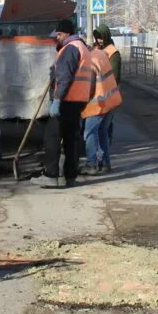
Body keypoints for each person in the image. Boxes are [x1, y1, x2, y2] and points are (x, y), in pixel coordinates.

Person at [37, 18, 93, 188]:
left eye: (59, 33)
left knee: (52, 137)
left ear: (67, 32)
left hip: (66, 101)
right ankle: (71, 176)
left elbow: (65, 77)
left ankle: (51, 175)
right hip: (77, 101)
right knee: (71, 140)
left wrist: (57, 100)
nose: (57, 36)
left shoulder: (70, 48)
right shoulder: (82, 47)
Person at [83, 24, 123, 174]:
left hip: (103, 99)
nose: (99, 40)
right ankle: (105, 163)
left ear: (106, 36)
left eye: (101, 37)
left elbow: (114, 77)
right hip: (107, 98)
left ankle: (92, 163)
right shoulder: (98, 51)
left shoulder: (112, 53)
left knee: (91, 131)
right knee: (101, 132)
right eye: (97, 37)